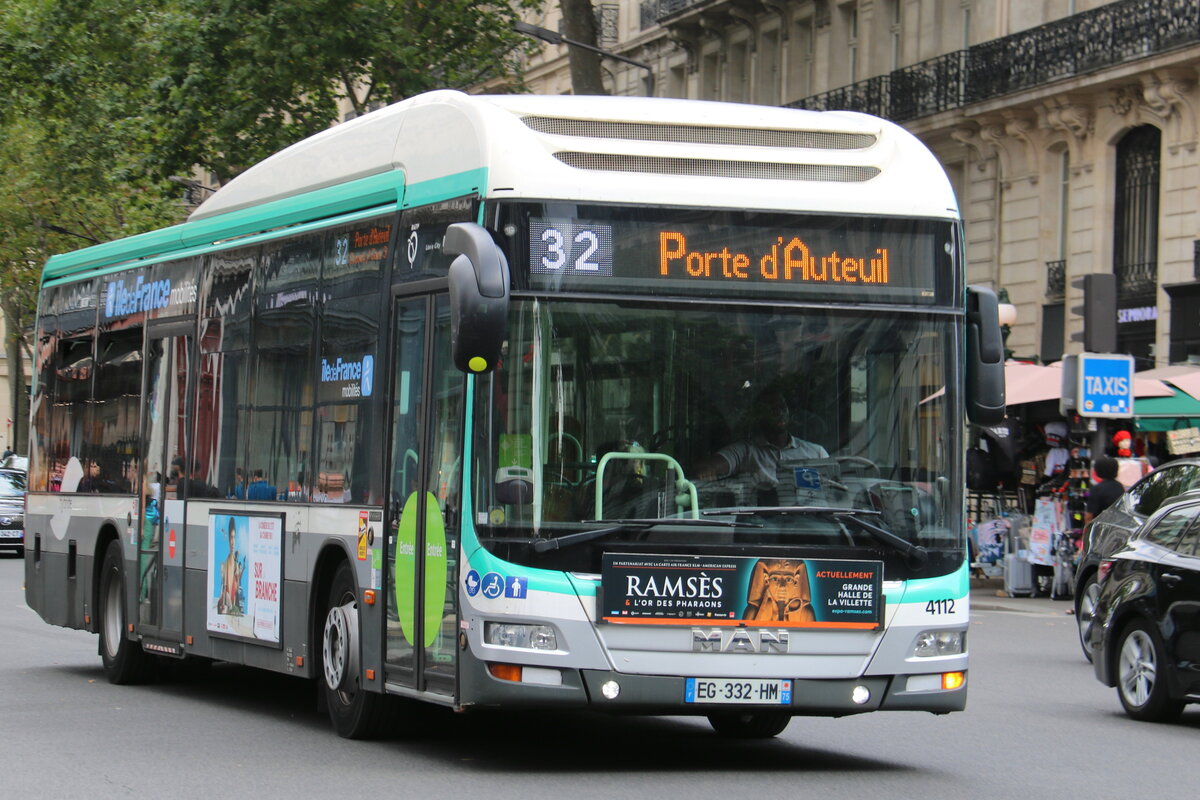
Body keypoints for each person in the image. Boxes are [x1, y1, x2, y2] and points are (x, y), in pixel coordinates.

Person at [694, 388, 829, 486]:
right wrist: (708, 470)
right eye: (772, 408)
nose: (779, 412)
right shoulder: (745, 452)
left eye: (782, 407)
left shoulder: (817, 452)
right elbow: (709, 466)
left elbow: (836, 487)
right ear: (759, 415)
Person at [1084, 455, 1125, 526]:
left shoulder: (1097, 489)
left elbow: (1089, 516)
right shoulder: (1120, 486)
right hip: (1116, 524)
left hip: (1100, 526)